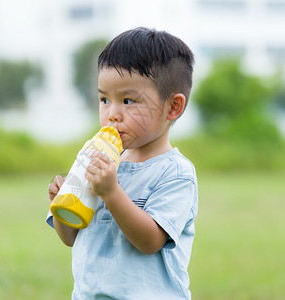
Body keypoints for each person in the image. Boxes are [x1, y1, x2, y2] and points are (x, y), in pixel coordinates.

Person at [46, 27, 198, 299]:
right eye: (104, 99)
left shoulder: (175, 173)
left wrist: (111, 193)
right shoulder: (98, 160)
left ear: (172, 107)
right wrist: (63, 204)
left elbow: (150, 241)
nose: (112, 115)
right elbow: (70, 238)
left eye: (127, 101)